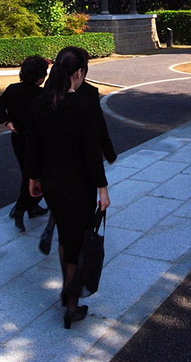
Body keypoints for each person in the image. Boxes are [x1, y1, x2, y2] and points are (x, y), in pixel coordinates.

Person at [27, 47, 111, 329]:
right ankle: (72, 304)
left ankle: (67, 289)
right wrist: (103, 189)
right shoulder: (83, 106)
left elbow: (33, 145)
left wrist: (33, 178)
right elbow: (91, 152)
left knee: (66, 235)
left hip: (51, 182)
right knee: (79, 241)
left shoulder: (40, 103)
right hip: (79, 184)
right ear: (78, 73)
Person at [38, 75, 117, 256]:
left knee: (63, 214)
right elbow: (96, 136)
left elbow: (34, 140)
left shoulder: (46, 93)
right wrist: (102, 185)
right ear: (79, 71)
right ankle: (72, 278)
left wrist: (33, 175)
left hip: (51, 170)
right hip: (78, 173)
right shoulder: (88, 95)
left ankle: (53, 229)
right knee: (76, 229)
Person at [0, 55, 50, 232]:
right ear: (40, 76)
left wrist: (7, 122)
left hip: (18, 139)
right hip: (37, 141)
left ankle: (31, 208)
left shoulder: (12, 89)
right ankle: (21, 207)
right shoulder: (41, 96)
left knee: (27, 173)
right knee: (37, 176)